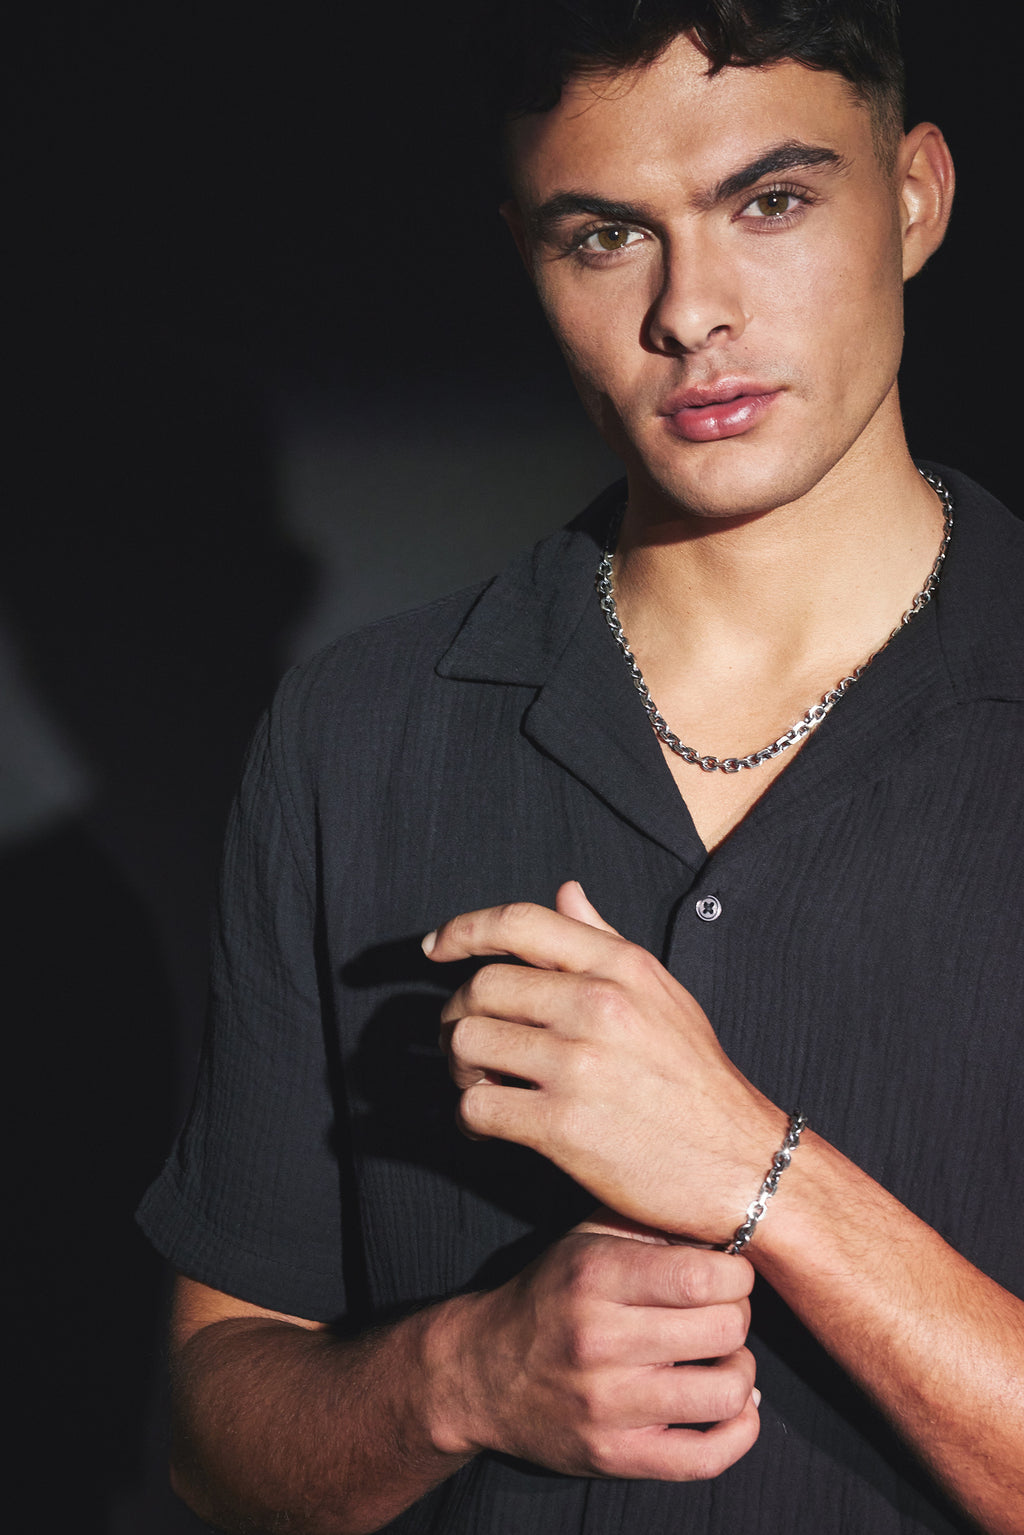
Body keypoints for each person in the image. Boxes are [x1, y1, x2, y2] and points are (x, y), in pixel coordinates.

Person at [137, 3, 1024, 1532]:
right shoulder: (356, 734)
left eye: (771, 201)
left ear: (916, 199)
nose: (692, 312)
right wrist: (465, 1373)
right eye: (607, 237)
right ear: (529, 255)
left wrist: (760, 1176)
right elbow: (214, 1446)